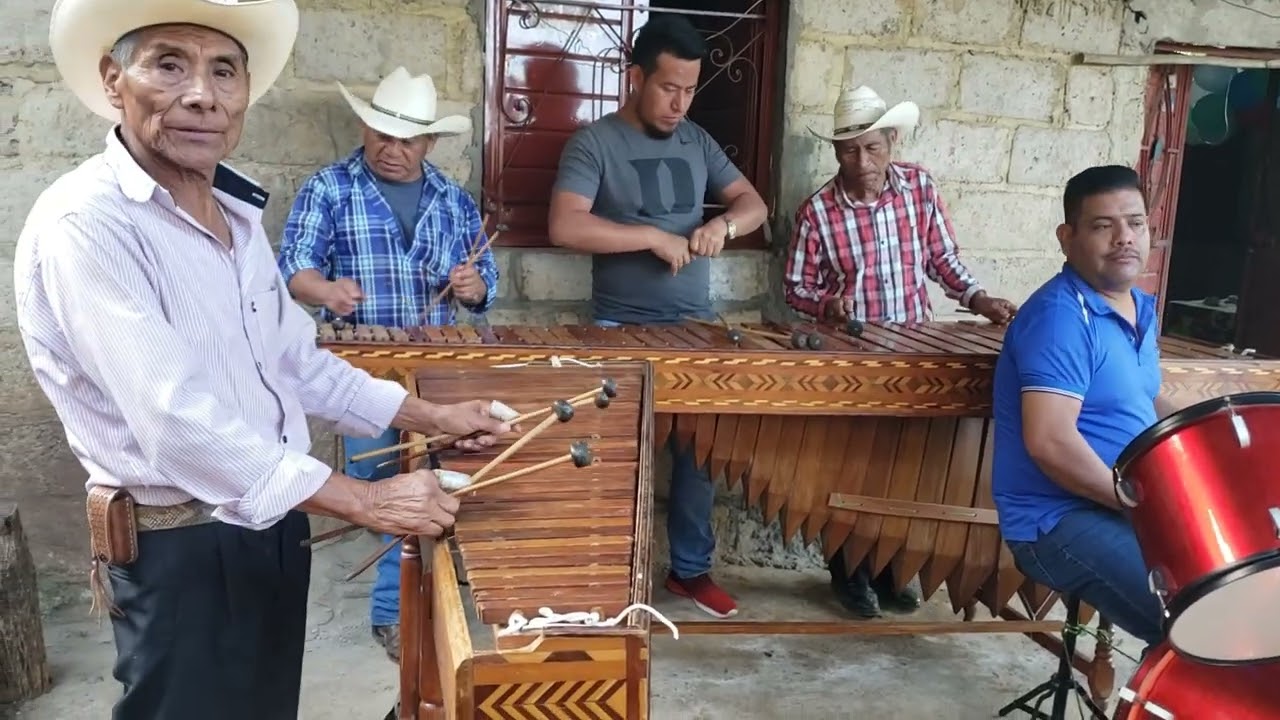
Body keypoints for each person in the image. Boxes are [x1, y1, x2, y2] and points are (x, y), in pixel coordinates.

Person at [14, 2, 512, 718]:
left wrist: (426, 413)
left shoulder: (235, 213)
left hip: (272, 522)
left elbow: (297, 362)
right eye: (169, 64)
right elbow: (174, 420)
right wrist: (366, 498)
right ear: (112, 79)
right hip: (178, 546)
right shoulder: (87, 222)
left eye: (223, 71)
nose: (200, 94)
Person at [547, 13, 768, 618]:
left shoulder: (697, 140)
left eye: (690, 89)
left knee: (699, 457)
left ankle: (690, 573)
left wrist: (723, 223)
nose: (679, 103)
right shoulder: (593, 143)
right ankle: (612, 572)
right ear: (636, 76)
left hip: (695, 326)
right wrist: (649, 235)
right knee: (618, 456)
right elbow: (566, 225)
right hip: (619, 326)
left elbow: (753, 204)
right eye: (668, 87)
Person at [277, 66, 497, 661]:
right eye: (381, 134)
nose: (391, 149)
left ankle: (435, 593)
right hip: (364, 372)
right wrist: (325, 291)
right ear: (364, 126)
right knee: (378, 486)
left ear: (429, 143)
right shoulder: (330, 188)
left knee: (450, 475)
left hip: (440, 366)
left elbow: (487, 284)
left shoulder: (452, 200)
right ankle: (393, 611)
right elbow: (292, 267)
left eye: (406, 140)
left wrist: (472, 285)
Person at [783, 84, 1019, 619]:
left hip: (915, 350)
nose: (861, 161)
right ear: (836, 151)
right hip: (855, 358)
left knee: (909, 463)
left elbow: (942, 258)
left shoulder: (919, 188)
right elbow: (795, 287)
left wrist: (978, 298)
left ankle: (894, 570)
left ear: (892, 140)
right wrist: (827, 306)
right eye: (849, 149)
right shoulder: (817, 212)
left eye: (872, 147)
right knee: (855, 468)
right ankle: (850, 576)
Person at [991, 164, 1171, 652]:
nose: (1124, 238)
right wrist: (1138, 502)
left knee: (1239, 581)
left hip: (1117, 503)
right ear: (1066, 238)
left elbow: (1146, 397)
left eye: (1134, 223)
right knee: (1192, 611)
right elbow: (1050, 443)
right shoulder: (1061, 318)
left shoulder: (1140, 306)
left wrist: (1200, 447)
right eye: (1102, 226)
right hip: (1056, 520)